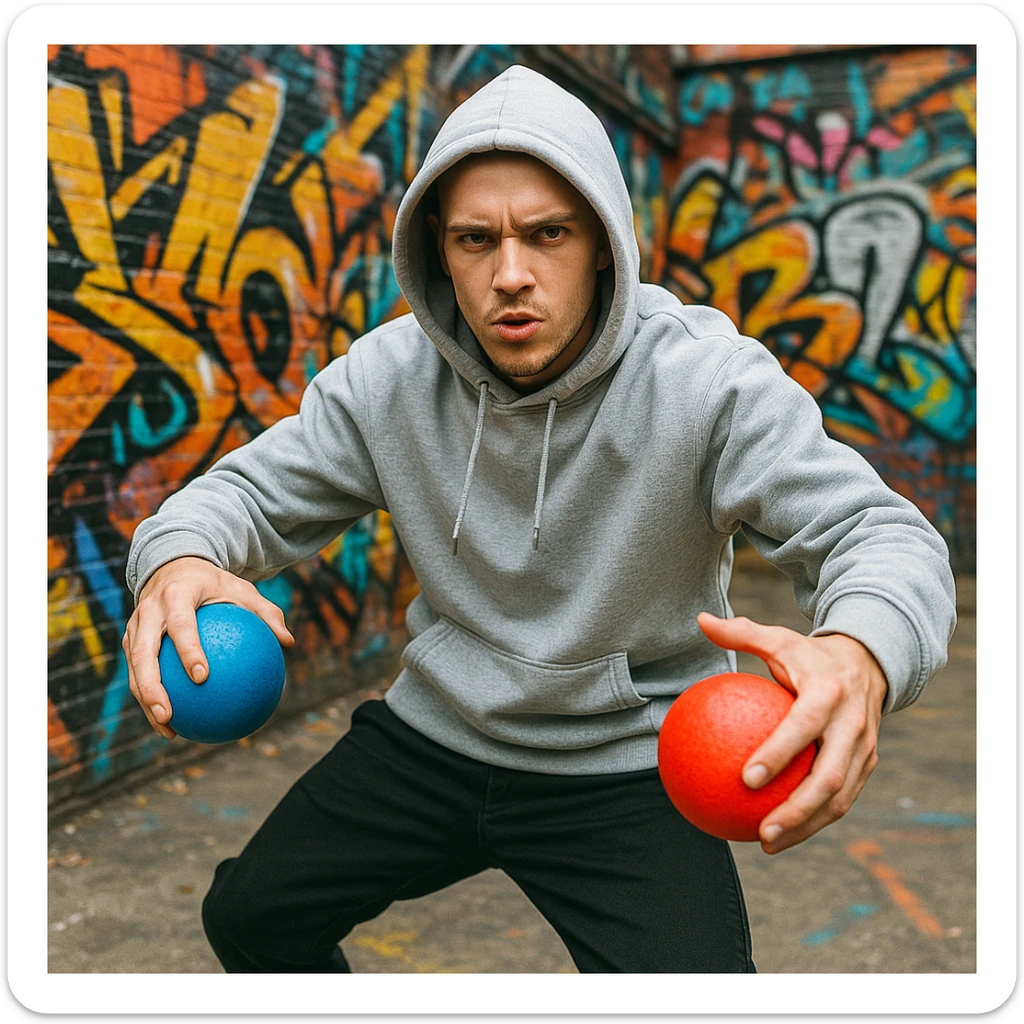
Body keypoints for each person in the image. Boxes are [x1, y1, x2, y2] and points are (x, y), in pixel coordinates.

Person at [123, 65, 956, 973]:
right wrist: (177, 557)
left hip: (629, 762)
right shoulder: (389, 378)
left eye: (547, 234)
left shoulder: (709, 381)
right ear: (438, 250)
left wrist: (862, 650)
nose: (510, 275)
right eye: (476, 240)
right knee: (250, 918)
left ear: (602, 241)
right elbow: (239, 496)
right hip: (437, 736)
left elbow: (879, 534)